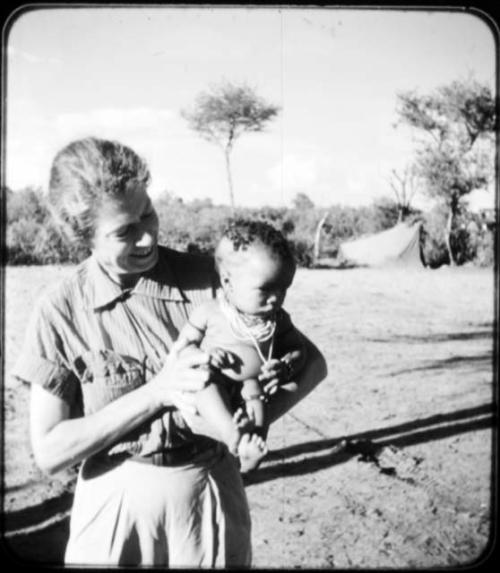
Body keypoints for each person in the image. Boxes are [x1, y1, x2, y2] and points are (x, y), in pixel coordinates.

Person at [10, 136, 327, 567]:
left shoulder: (211, 278)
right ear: (82, 236)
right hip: (114, 508)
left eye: (148, 214)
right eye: (124, 231)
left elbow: (313, 364)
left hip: (209, 495)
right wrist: (158, 391)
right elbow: (50, 451)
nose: (146, 237)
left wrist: (251, 426)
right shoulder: (60, 311)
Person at [177, 219, 307, 472]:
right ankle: (232, 433)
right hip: (216, 379)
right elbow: (183, 346)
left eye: (284, 289)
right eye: (266, 290)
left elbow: (298, 349)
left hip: (252, 387)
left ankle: (250, 452)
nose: (275, 299)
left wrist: (286, 366)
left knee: (257, 399)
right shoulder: (210, 312)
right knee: (205, 385)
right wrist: (206, 356)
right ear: (227, 282)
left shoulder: (278, 320)